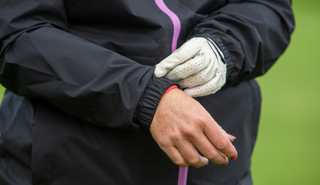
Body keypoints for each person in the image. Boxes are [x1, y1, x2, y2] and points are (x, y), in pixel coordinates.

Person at [0, 0, 294, 184]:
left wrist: (224, 46)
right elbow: (18, 36)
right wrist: (146, 96)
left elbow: (268, 5)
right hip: (72, 168)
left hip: (221, 173)